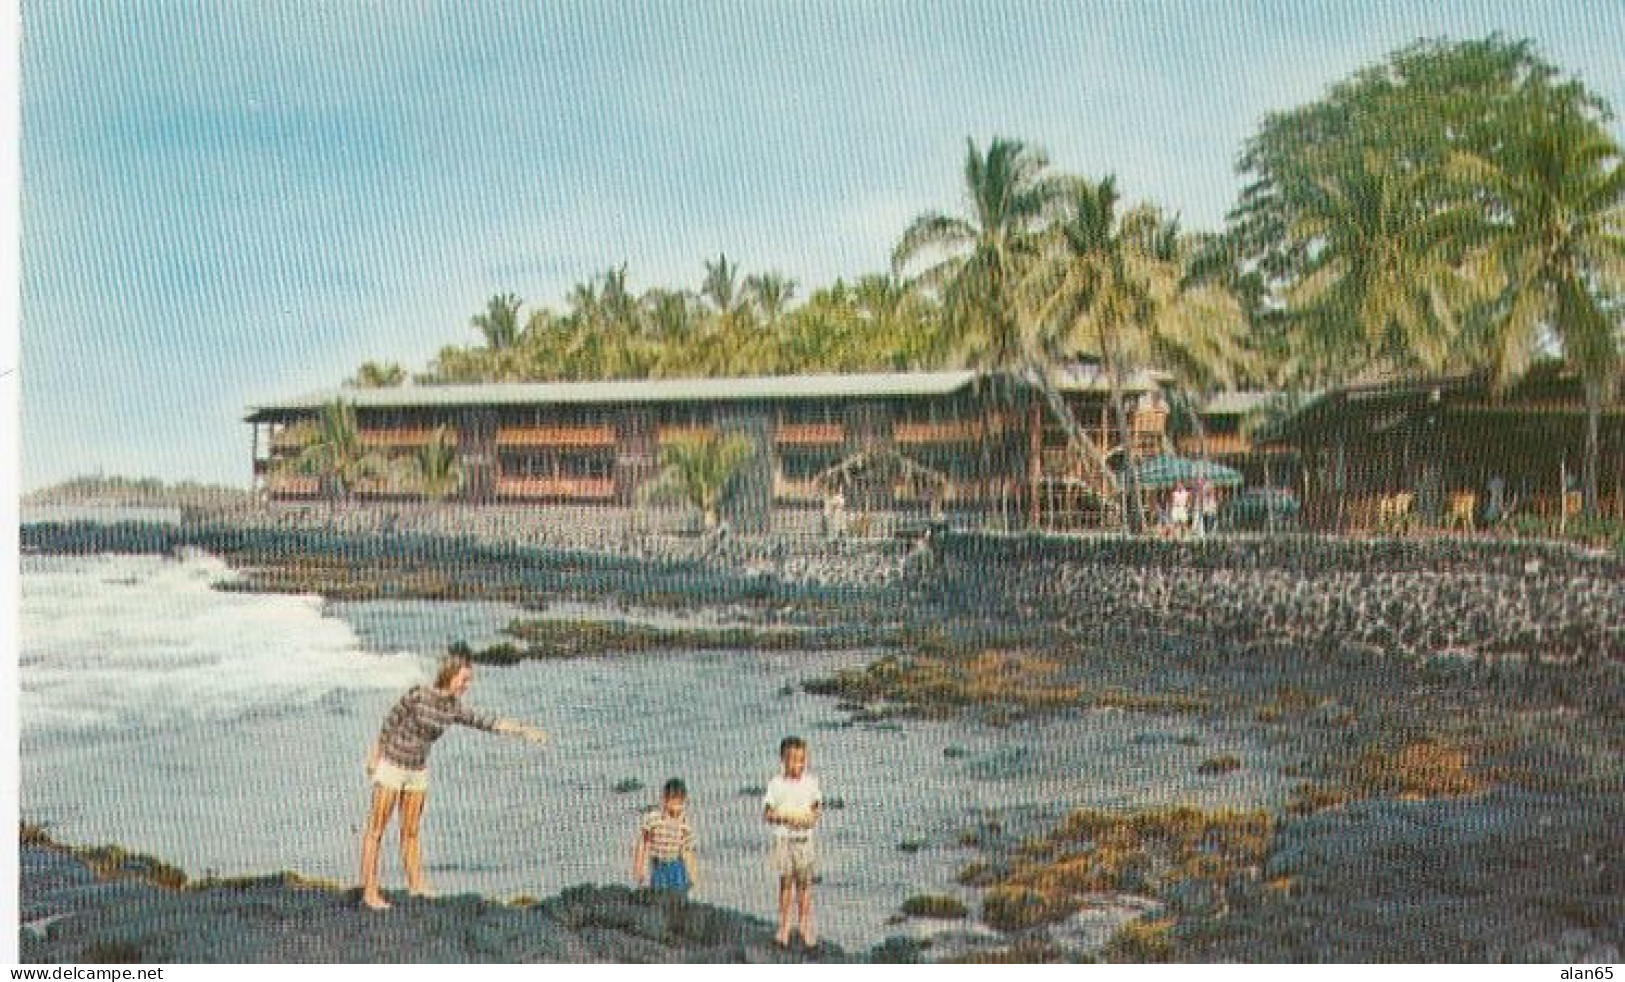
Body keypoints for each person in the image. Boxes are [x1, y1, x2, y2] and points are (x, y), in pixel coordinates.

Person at [360, 655, 548, 911]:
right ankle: (370, 893)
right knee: (376, 831)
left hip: (417, 769)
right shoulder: (418, 695)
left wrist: (524, 730)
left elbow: (487, 721)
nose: (466, 684)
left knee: (411, 832)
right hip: (392, 764)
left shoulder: (453, 708)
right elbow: (390, 722)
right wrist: (375, 756)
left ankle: (417, 886)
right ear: (450, 675)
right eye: (464, 679)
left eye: (469, 680)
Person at [763, 735, 823, 948]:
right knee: (786, 883)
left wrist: (810, 818)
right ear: (783, 760)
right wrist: (787, 817)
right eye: (793, 760)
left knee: (805, 885)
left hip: (804, 840)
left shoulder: (811, 782)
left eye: (801, 760)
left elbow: (817, 809)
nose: (797, 765)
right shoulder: (776, 784)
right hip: (784, 840)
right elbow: (768, 814)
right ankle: (784, 926)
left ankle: (805, 925)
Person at [632, 778, 700, 897]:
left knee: (680, 897)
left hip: (676, 865)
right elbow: (643, 842)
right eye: (674, 802)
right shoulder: (653, 819)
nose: (678, 807)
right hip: (659, 866)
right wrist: (639, 867)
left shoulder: (683, 823)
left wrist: (692, 874)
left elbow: (687, 850)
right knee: (658, 897)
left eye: (681, 803)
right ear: (665, 800)